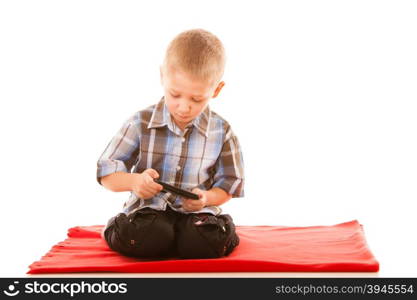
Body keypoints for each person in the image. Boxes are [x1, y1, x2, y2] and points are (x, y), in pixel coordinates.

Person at [96, 29, 244, 259]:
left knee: (203, 245)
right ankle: (119, 225)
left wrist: (206, 198)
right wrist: (135, 181)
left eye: (196, 99)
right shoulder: (140, 122)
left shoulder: (222, 131)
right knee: (150, 239)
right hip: (150, 213)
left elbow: (228, 187)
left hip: (196, 216)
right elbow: (107, 173)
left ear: (216, 89)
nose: (184, 107)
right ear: (162, 77)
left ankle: (207, 232)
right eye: (175, 94)